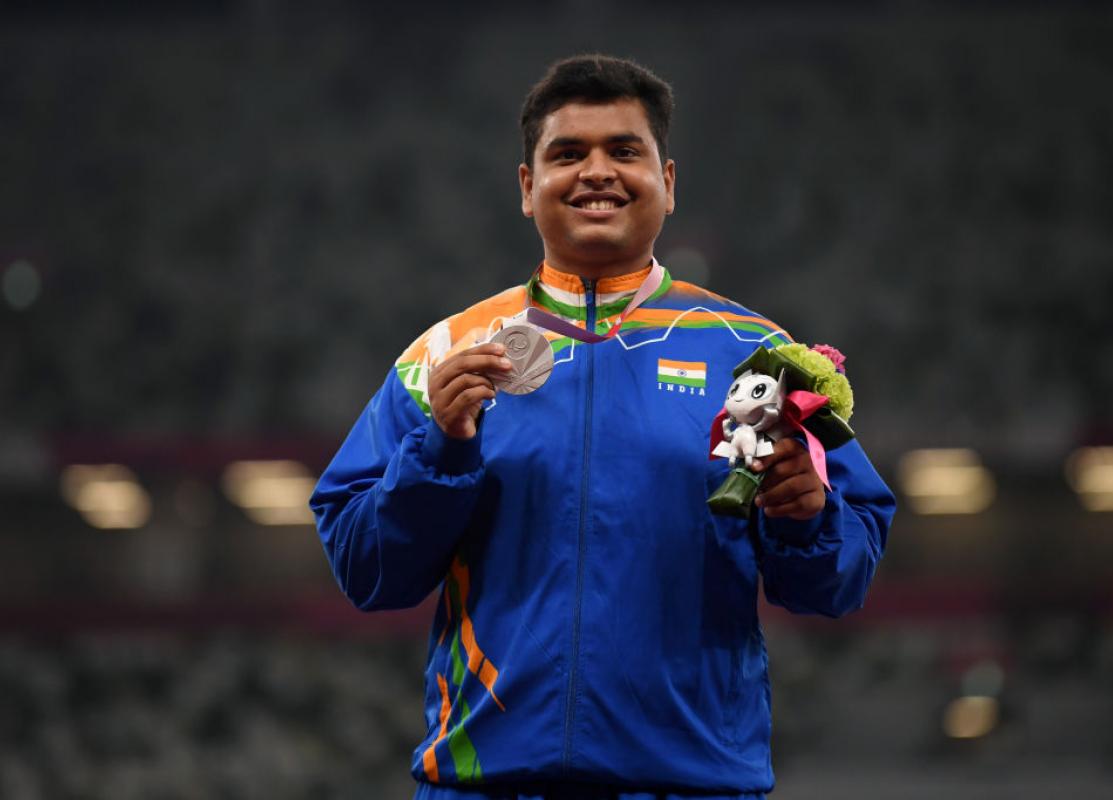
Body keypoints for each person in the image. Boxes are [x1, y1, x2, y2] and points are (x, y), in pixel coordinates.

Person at [311, 54, 894, 798]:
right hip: (487, 783)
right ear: (528, 187)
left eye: (624, 151)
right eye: (566, 154)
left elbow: (838, 582)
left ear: (668, 182)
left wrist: (807, 518)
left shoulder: (759, 357)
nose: (597, 172)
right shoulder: (445, 355)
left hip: (689, 785)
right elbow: (367, 572)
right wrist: (442, 450)